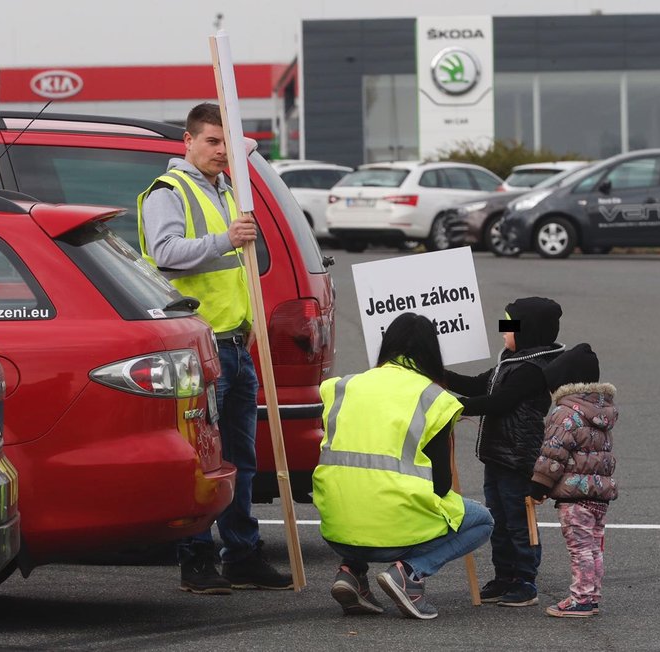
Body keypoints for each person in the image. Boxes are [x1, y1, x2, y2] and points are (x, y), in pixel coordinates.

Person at [136, 102, 292, 594]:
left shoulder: (227, 189)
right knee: (202, 459)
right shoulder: (169, 191)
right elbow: (165, 254)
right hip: (196, 349)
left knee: (242, 459)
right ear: (187, 142)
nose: (222, 151)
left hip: (234, 345)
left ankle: (242, 554)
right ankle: (197, 558)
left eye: (226, 143)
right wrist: (225, 238)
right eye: (211, 141)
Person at [313, 312, 494, 620]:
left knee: (357, 489)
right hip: (393, 535)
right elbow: (440, 485)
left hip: (336, 528)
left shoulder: (342, 387)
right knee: (482, 520)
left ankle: (351, 572)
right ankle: (409, 573)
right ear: (431, 351)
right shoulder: (434, 398)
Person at [443, 297, 564, 607]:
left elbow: (499, 402)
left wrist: (451, 407)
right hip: (498, 455)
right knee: (498, 519)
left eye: (509, 326)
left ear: (529, 331)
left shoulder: (534, 369)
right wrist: (437, 374)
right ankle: (504, 576)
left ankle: (525, 580)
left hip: (518, 457)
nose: (503, 332)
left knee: (518, 521)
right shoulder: (510, 363)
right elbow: (477, 385)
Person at [529, 343, 618, 618]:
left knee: (579, 548)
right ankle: (591, 595)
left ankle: (580, 599)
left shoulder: (564, 413)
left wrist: (539, 486)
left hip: (574, 497)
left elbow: (553, 453)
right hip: (598, 494)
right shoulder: (602, 413)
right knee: (594, 546)